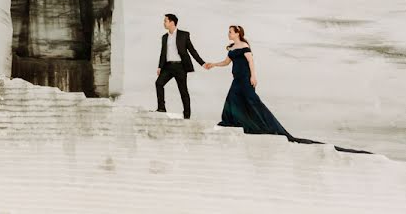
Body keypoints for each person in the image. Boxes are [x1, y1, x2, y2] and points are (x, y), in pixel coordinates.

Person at [205, 25, 371, 153]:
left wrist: (254, 77)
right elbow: (226, 62)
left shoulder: (244, 46)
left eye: (231, 32)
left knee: (253, 102)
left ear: (238, 33)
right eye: (229, 32)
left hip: (245, 79)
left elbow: (251, 62)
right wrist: (213, 64)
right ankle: (234, 121)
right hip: (236, 79)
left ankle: (263, 125)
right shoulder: (232, 48)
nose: (229, 34)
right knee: (233, 99)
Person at [156, 13, 208, 120]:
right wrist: (160, 67)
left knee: (183, 90)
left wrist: (202, 63)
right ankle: (161, 108)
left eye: (165, 21)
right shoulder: (164, 37)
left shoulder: (184, 35)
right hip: (168, 66)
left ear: (172, 22)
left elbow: (192, 50)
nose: (164, 23)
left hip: (180, 67)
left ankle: (187, 114)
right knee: (159, 83)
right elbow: (163, 53)